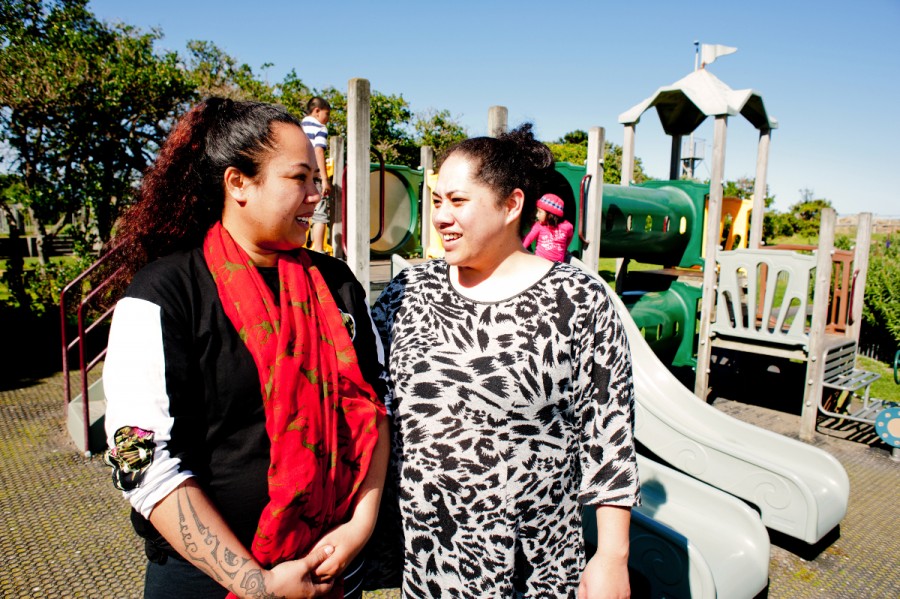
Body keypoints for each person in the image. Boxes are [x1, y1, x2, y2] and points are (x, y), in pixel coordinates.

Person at [101, 98, 389, 599]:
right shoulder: (166, 293)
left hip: (331, 566)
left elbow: (375, 411)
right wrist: (257, 584)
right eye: (300, 178)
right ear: (238, 183)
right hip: (208, 581)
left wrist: (356, 530)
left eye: (318, 181)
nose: (316, 195)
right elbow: (142, 461)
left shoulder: (336, 284)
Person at [371, 124, 640, 598]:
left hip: (530, 564)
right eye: (436, 201)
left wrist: (612, 557)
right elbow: (371, 401)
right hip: (427, 558)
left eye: (457, 201)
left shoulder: (577, 299)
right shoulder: (409, 290)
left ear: (511, 204)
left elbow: (609, 434)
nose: (440, 217)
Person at [301, 97, 333, 253]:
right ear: (317, 111)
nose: (327, 119)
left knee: (301, 210)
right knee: (320, 214)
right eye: (327, 114)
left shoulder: (298, 126)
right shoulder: (320, 127)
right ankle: (318, 250)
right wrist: (325, 179)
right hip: (314, 175)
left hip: (300, 176)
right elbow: (319, 150)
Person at [522, 192, 575, 262]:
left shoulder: (566, 227)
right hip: (540, 263)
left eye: (540, 212)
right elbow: (528, 238)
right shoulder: (539, 226)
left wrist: (564, 248)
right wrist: (520, 250)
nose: (537, 215)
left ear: (550, 215)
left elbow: (570, 235)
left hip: (557, 265)